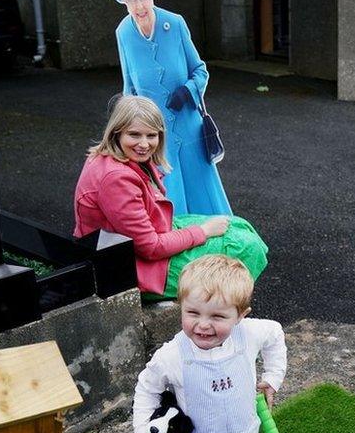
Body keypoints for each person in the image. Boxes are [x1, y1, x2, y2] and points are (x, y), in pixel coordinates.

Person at [73, 95, 268, 298]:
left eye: (151, 135)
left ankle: (222, 304)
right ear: (116, 133)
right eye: (134, 134)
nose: (144, 144)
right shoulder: (116, 179)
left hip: (135, 247)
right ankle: (220, 310)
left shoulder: (115, 157)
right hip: (133, 269)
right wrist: (202, 231)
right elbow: (150, 247)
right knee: (248, 247)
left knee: (238, 225)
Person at [132, 254, 287, 433]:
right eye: (193, 313)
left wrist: (272, 378)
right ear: (181, 306)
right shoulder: (172, 355)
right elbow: (146, 389)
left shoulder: (249, 333)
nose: (203, 324)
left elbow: (275, 334)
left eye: (217, 316)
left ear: (240, 316)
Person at [113, 0, 231, 217]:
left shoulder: (175, 24)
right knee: (169, 201)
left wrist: (187, 91)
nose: (139, 4)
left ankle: (214, 252)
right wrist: (127, 133)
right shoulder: (123, 33)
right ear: (124, 1)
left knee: (205, 197)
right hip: (155, 137)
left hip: (189, 127)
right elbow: (129, 89)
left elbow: (200, 70)